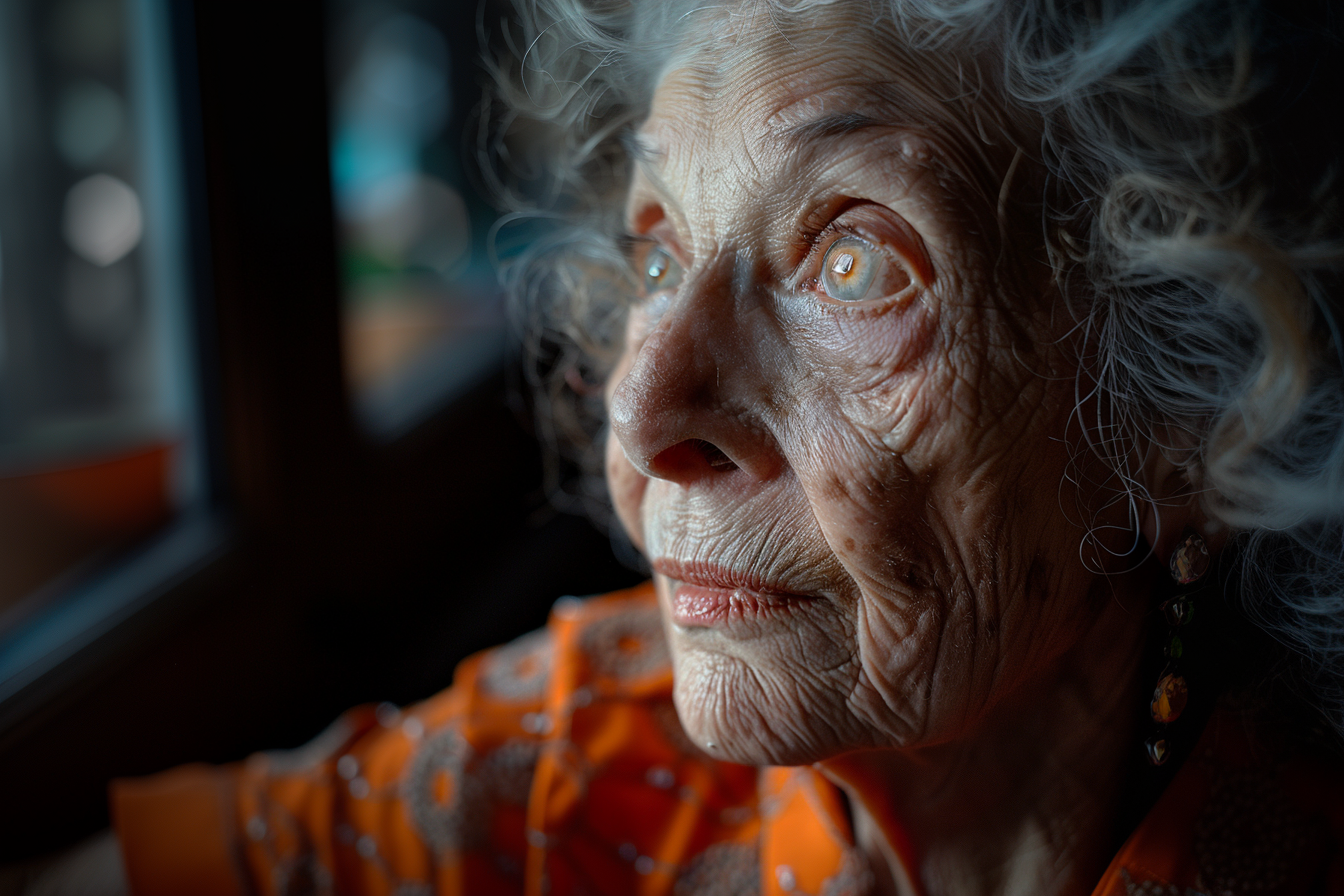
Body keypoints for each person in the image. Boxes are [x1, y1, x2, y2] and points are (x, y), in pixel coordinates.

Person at [13, 0, 1344, 893]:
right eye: (656, 255)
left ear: (1176, 415)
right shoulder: (578, 760)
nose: (646, 416)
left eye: (856, 259)